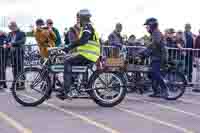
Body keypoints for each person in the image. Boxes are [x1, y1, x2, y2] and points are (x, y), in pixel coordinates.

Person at [57, 9, 100, 99]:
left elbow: (83, 40)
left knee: (67, 62)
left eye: (79, 18)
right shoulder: (86, 27)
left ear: (83, 18)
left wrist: (69, 47)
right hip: (87, 54)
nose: (78, 20)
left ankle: (67, 90)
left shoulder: (87, 27)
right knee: (67, 58)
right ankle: (73, 84)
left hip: (88, 55)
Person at [139, 18, 168, 98]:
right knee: (150, 74)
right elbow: (151, 46)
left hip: (160, 57)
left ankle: (165, 90)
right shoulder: (153, 33)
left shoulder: (157, 33)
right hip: (155, 56)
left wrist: (145, 51)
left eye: (147, 26)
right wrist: (144, 53)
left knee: (155, 72)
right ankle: (157, 91)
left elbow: (154, 44)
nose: (146, 28)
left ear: (152, 25)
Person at [7, 21, 26, 90]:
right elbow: (7, 40)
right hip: (12, 54)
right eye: (10, 28)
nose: (11, 29)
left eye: (12, 27)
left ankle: (22, 84)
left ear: (15, 26)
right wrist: (6, 44)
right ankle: (16, 84)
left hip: (19, 53)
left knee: (20, 68)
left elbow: (22, 41)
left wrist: (13, 43)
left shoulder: (22, 33)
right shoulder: (10, 34)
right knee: (14, 69)